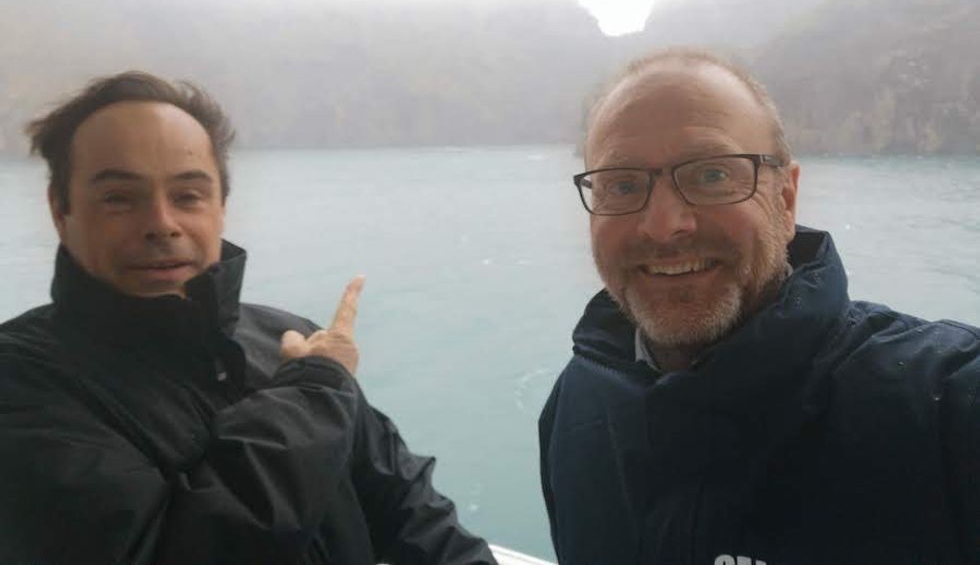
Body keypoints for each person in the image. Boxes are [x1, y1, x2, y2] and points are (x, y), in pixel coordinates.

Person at [0, 71, 497, 565]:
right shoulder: (23, 381)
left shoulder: (287, 340)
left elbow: (411, 514)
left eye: (188, 195)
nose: (161, 224)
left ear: (221, 207)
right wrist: (311, 396)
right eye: (119, 198)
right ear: (61, 211)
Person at [538, 48, 979, 564]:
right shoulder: (579, 403)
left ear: (785, 200)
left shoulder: (947, 410)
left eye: (711, 175)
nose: (663, 226)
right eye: (622, 184)